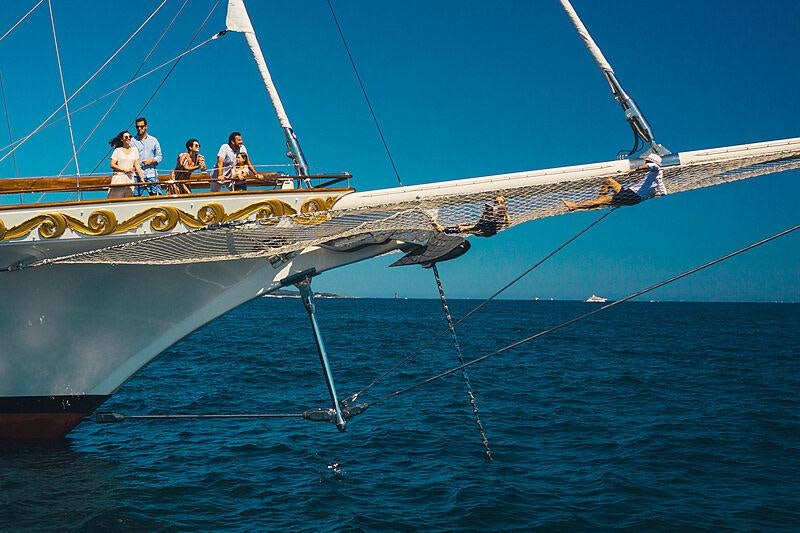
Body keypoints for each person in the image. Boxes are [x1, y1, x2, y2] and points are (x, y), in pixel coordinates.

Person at [562, 153, 667, 211]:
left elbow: (651, 166)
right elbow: (662, 189)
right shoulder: (656, 175)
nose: (645, 162)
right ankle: (597, 201)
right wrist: (659, 193)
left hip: (633, 196)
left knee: (605, 199)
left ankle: (574, 206)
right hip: (629, 192)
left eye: (646, 160)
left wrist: (635, 169)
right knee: (608, 181)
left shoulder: (656, 168)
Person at [433, 196, 511, 237]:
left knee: (468, 228)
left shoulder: (504, 213)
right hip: (482, 227)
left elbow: (508, 224)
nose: (498, 203)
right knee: (466, 227)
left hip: (490, 230)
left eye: (500, 202)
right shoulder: (491, 210)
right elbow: (483, 219)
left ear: (504, 203)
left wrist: (505, 213)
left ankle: (443, 229)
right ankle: (444, 229)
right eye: (496, 202)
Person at [130, 117, 163, 196]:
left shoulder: (153, 140)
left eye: (141, 126)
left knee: (157, 196)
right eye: (137, 127)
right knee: (135, 198)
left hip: (151, 173)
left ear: (146, 126)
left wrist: (151, 161)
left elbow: (159, 156)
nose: (139, 128)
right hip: (137, 174)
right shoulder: (132, 141)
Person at [108, 131, 145, 199]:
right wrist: (124, 170)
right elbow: (112, 164)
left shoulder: (135, 150)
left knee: (127, 201)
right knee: (115, 200)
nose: (128, 138)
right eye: (126, 137)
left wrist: (142, 178)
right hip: (119, 179)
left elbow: (137, 165)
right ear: (122, 139)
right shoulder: (117, 150)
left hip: (130, 179)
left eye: (130, 137)